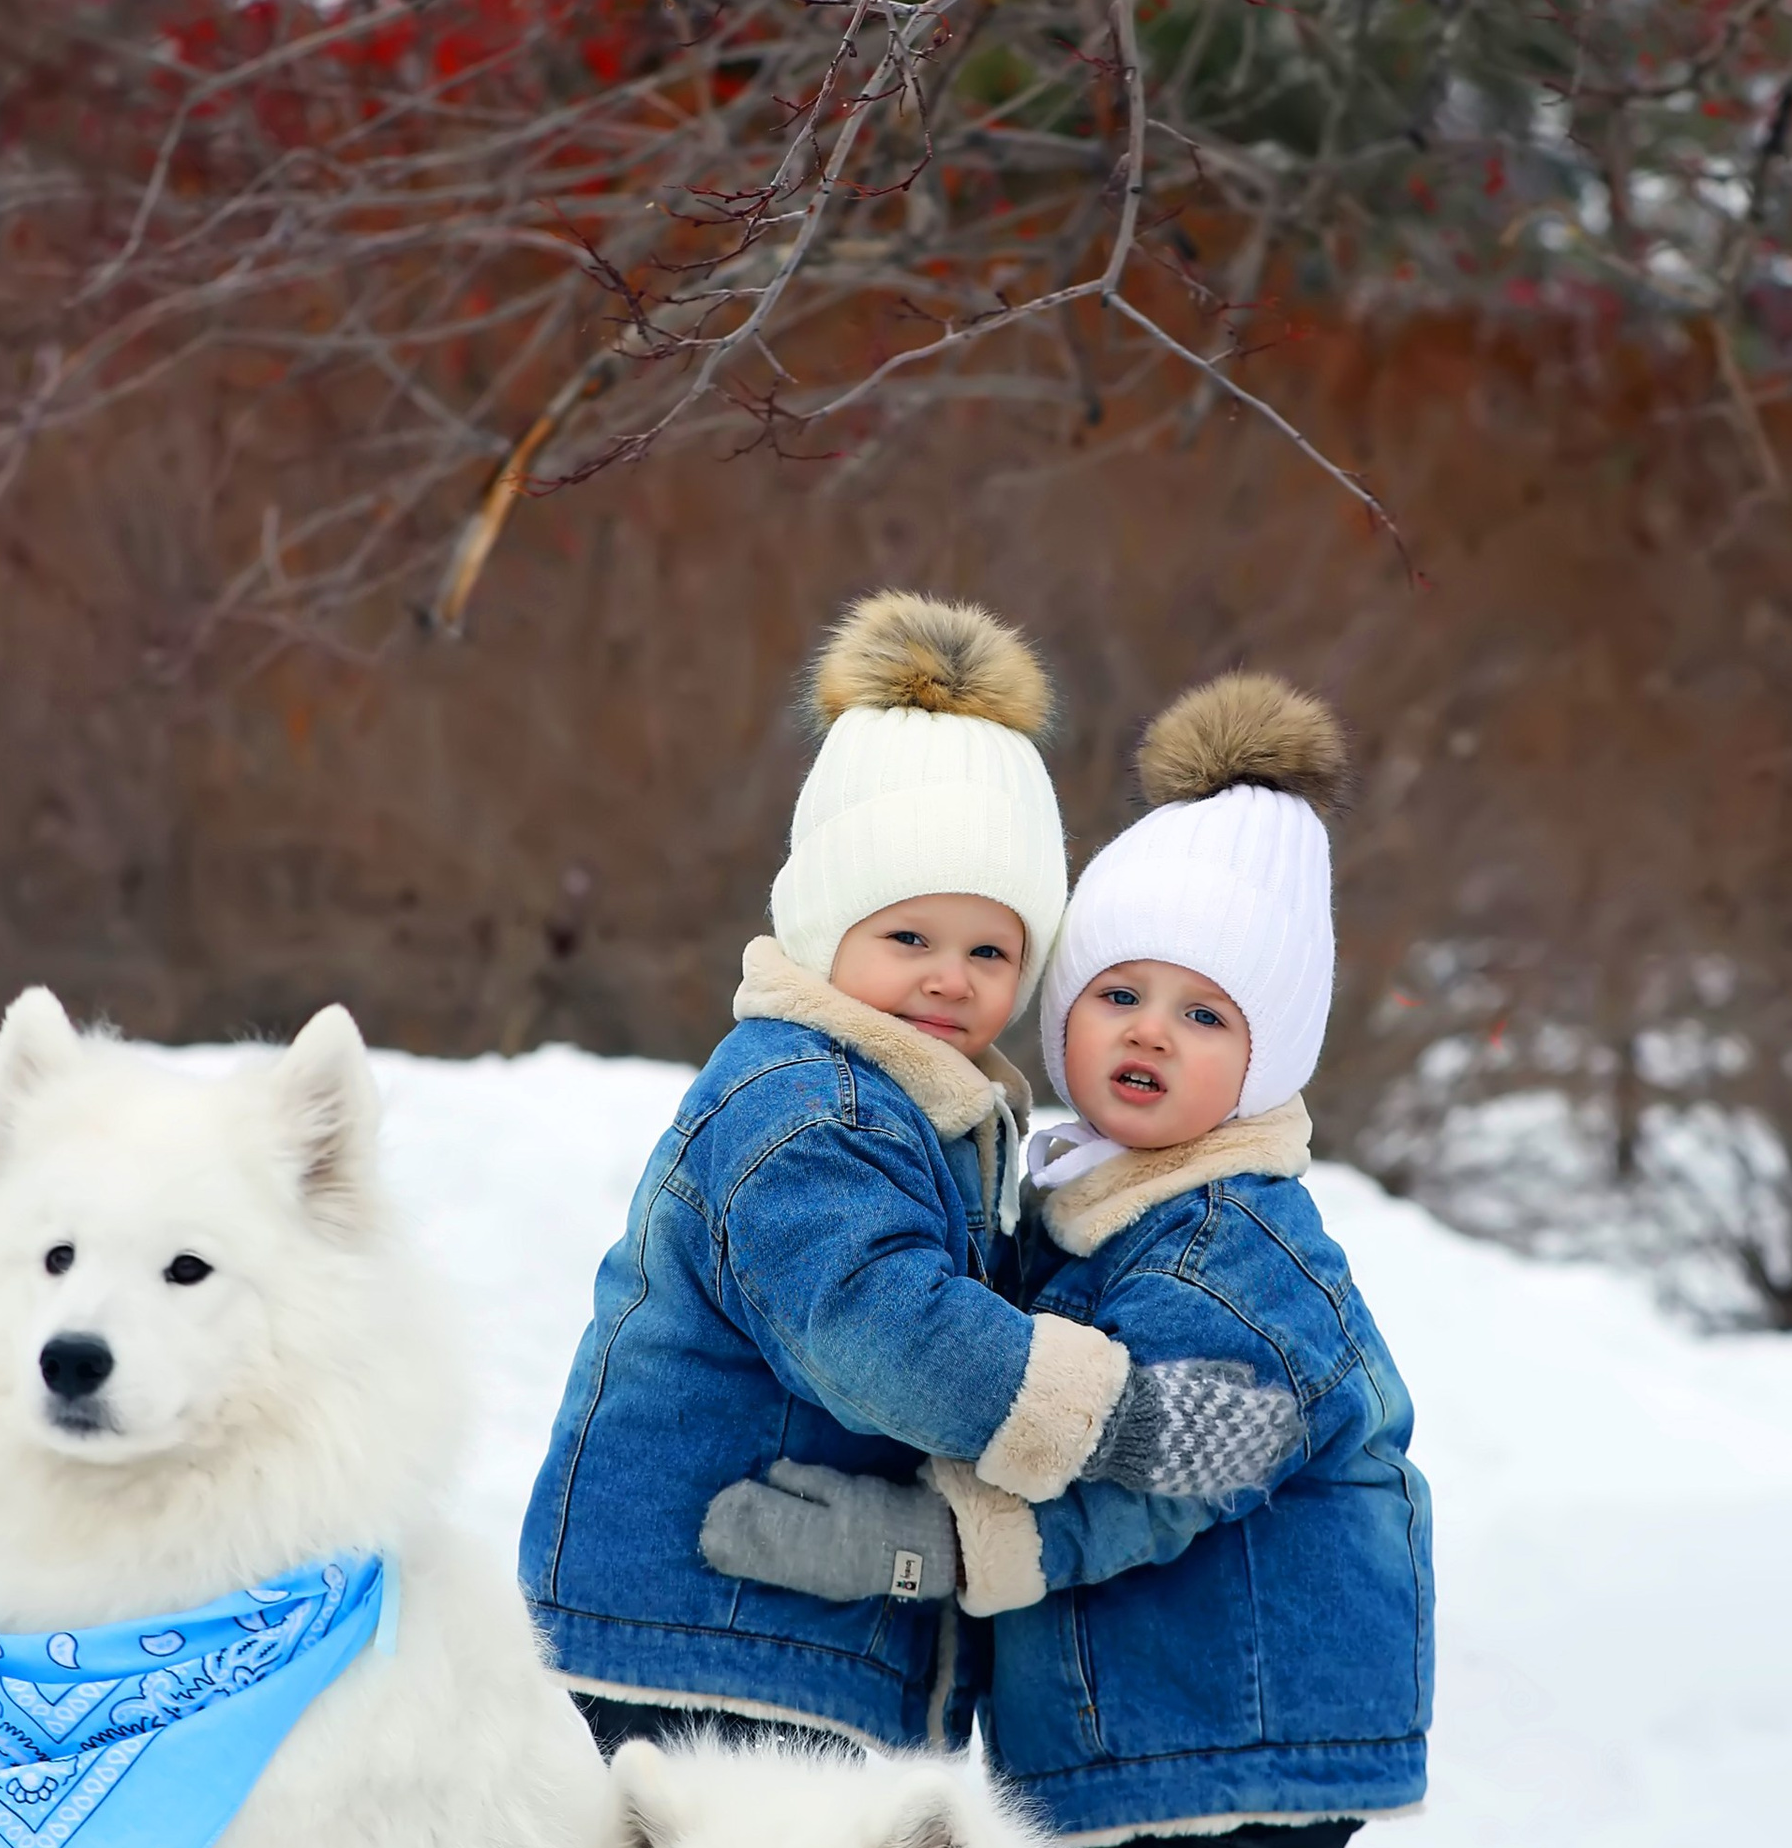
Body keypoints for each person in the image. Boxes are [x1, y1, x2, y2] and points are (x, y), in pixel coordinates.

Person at [703, 671, 1433, 1848]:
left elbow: (1184, 1467)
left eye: (1205, 1014)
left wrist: (933, 1547)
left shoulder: (1228, 1245)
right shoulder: (1091, 1204)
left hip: (1221, 1751)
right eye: (1118, 993)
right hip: (1149, 1746)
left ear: (1269, 1059)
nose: (1150, 1031)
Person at [520, 596, 1304, 1760]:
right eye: (908, 938)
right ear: (823, 925)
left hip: (770, 1639)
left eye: (990, 950)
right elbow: (878, 1329)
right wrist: (1119, 1421)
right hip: (703, 1638)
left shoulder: (918, 1108)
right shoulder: (806, 1105)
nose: (950, 978)